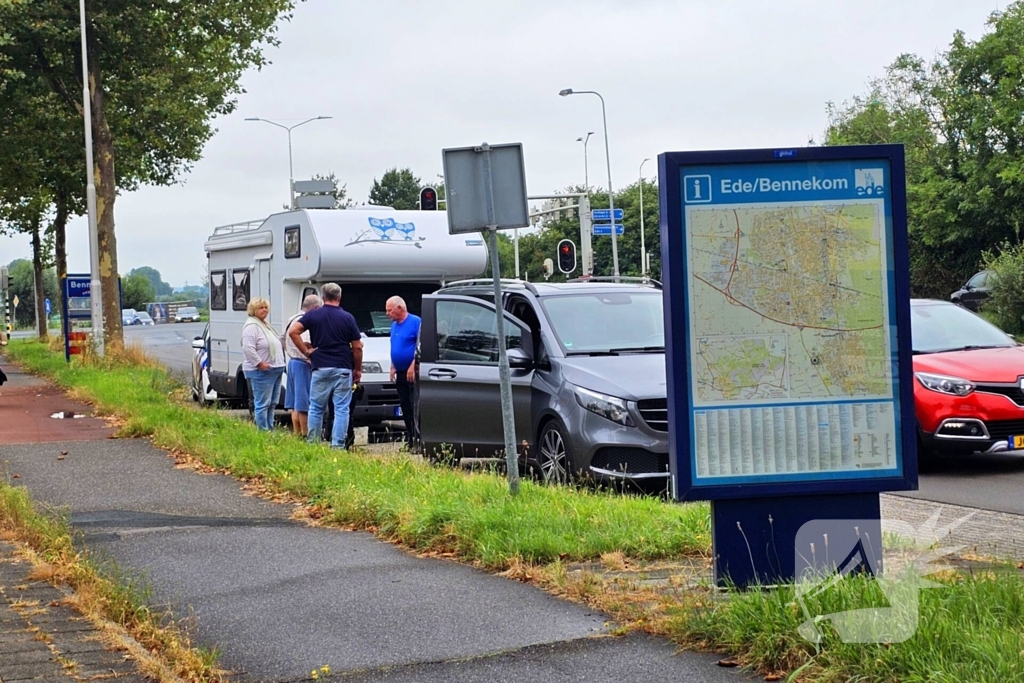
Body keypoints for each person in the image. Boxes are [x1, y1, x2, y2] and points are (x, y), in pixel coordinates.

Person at [288, 283, 363, 448]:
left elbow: (293, 332)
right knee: (342, 409)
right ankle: (338, 445)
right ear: (339, 297)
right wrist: (357, 369)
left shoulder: (314, 315)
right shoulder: (348, 317)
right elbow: (357, 347)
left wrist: (307, 352)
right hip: (342, 367)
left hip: (320, 367)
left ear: (323, 297)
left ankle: (313, 443)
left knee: (315, 407)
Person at [241, 297, 286, 431]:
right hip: (262, 371)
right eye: (261, 307)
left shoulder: (265, 325)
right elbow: (248, 348)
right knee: (262, 404)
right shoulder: (251, 326)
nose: (264, 310)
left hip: (275, 370)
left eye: (266, 307)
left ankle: (270, 429)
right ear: (253, 310)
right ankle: (263, 431)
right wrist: (260, 364)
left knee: (272, 403)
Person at [282, 294, 321, 436]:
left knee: (295, 404)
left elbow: (282, 338)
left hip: (292, 362)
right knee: (303, 403)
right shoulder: (303, 322)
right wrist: (311, 353)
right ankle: (306, 434)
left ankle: (297, 434)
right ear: (315, 308)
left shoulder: (291, 318)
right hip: (303, 364)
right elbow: (304, 342)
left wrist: (290, 351)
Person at [386, 295, 421, 448]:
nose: (387, 314)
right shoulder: (394, 325)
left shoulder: (416, 322)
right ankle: (410, 437)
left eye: (389, 310)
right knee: (404, 406)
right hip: (400, 372)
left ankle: (419, 438)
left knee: (414, 406)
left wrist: (413, 365)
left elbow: (421, 346)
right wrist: (393, 365)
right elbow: (394, 346)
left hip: (412, 372)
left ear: (400, 308)